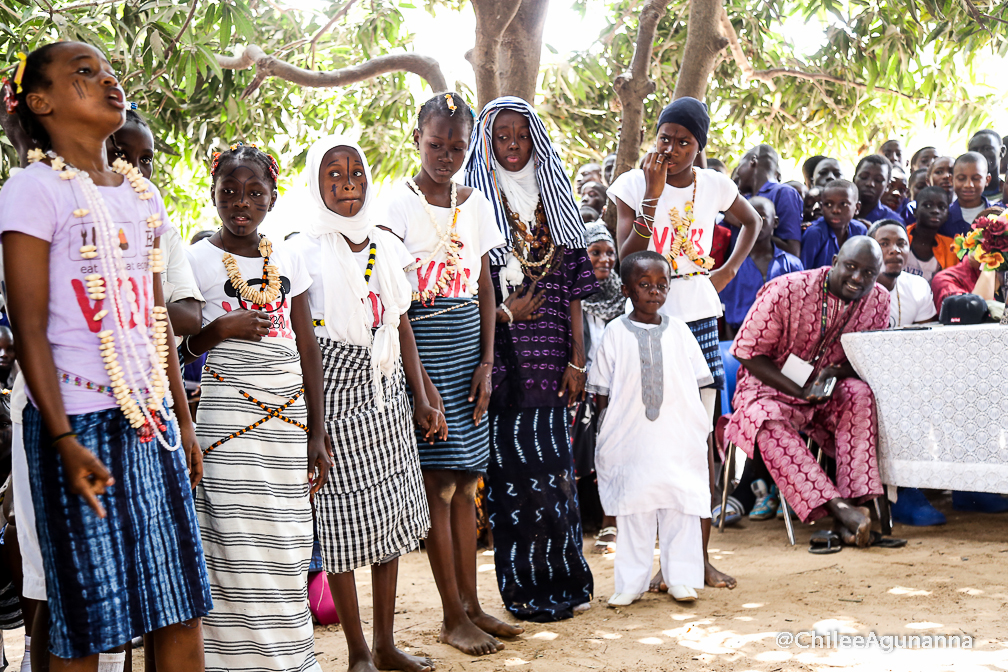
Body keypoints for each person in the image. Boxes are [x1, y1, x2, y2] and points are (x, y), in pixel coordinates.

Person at [0, 41, 210, 669]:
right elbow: (30, 328)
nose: (107, 81)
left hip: (149, 421)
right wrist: (63, 438)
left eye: (108, 70)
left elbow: (151, 320)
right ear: (41, 103)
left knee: (177, 605)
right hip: (76, 421)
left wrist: (180, 414)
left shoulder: (142, 196)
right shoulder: (32, 191)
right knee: (90, 616)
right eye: (83, 74)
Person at [291, 134, 447, 672]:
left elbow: (400, 325)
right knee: (339, 527)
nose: (347, 183)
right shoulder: (302, 247)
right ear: (316, 184)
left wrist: (422, 396)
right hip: (332, 394)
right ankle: (357, 651)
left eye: (355, 173)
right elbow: (304, 341)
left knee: (387, 525)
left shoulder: (384, 243)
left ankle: (384, 645)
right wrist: (314, 425)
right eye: (333, 175)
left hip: (386, 396)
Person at [382, 92, 523, 656]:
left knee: (467, 483)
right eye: (435, 144)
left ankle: (472, 604)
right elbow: (393, 300)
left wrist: (488, 363)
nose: (445, 155)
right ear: (417, 138)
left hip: (469, 344)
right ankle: (449, 617)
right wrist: (421, 386)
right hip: (422, 341)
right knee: (438, 484)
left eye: (457, 146)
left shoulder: (477, 203)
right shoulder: (397, 204)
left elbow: (485, 285)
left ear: (470, 146)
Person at [184, 143, 331, 672]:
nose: (240, 203)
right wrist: (217, 330)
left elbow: (307, 344)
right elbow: (176, 347)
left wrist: (317, 430)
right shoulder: (194, 259)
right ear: (214, 194)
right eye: (229, 192)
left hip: (288, 424)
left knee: (286, 541)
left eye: (253, 193)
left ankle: (287, 659)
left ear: (273, 197)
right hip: (225, 421)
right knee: (231, 539)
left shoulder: (289, 256)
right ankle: (229, 662)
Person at [608, 96, 761, 590]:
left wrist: (727, 271)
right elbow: (624, 259)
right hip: (647, 325)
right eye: (665, 137)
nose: (670, 148)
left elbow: (752, 221)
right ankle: (654, 563)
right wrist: (651, 197)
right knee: (649, 442)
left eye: (683, 141)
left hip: (698, 320)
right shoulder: (633, 184)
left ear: (699, 146)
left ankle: (696, 560)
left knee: (698, 441)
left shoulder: (714, 184)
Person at [464, 96, 596, 622]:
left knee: (557, 476)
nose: (513, 145)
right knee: (513, 483)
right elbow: (468, 293)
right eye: (502, 137)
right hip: (504, 361)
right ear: (488, 144)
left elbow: (574, 290)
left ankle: (568, 582)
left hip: (554, 362)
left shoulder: (556, 198)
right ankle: (524, 591)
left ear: (535, 139)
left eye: (522, 135)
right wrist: (507, 316)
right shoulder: (473, 206)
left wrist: (579, 359)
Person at [726, 237, 890, 547]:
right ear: (835, 259)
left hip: (824, 391)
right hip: (767, 388)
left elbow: (867, 360)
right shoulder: (786, 290)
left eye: (869, 273)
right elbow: (747, 351)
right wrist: (799, 390)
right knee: (764, 417)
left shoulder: (879, 300)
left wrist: (832, 373)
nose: (858, 279)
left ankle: (860, 504)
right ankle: (840, 510)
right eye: (851, 267)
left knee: (858, 393)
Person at [589, 251, 712, 606]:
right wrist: (608, 433)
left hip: (676, 437)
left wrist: (699, 428)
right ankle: (631, 584)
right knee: (634, 509)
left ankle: (681, 578)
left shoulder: (680, 331)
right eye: (645, 285)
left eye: (662, 285)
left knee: (678, 507)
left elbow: (700, 382)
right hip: (631, 439)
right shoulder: (614, 332)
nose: (654, 292)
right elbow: (602, 392)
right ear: (627, 289)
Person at [106, 109, 204, 338]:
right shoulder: (73, 224)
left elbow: (190, 318)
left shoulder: (162, 232)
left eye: (146, 159)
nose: (136, 170)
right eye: (120, 154)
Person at [577, 223, 623, 555]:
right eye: (595, 252)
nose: (605, 259)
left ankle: (612, 521)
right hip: (580, 386)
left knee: (615, 449)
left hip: (615, 389)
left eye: (610, 252)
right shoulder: (571, 296)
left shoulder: (624, 297)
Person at [719, 197, 803, 339]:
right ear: (742, 222)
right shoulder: (733, 265)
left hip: (782, 338)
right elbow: (728, 313)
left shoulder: (791, 264)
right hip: (743, 338)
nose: (757, 222)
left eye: (762, 217)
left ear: (775, 222)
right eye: (751, 217)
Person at [735, 145, 802, 256]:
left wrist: (749, 224)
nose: (737, 172)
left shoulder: (784, 193)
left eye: (739, 165)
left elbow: (792, 250)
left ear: (753, 161)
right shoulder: (744, 198)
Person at [867, 220, 936, 326]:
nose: (895, 250)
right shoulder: (855, 287)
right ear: (869, 249)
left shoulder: (918, 287)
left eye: (901, 244)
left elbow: (925, 338)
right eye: (884, 244)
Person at [800, 180, 867, 270]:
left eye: (843, 204)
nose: (835, 210)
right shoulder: (814, 233)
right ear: (821, 207)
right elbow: (803, 273)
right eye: (828, 204)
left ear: (857, 208)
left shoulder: (860, 230)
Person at [905, 186, 957, 282]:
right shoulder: (901, 237)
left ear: (947, 216)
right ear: (915, 212)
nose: (935, 211)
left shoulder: (951, 248)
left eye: (941, 207)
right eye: (928, 206)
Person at [940, 152, 991, 237]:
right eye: (961, 179)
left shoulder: (1000, 214)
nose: (968, 185)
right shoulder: (944, 218)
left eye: (976, 179)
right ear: (951, 180)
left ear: (987, 180)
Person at [854, 154, 904, 225]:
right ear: (854, 179)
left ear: (887, 186)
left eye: (878, 180)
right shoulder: (839, 211)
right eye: (864, 177)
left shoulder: (893, 221)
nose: (870, 184)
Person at [968, 130, 1005, 201]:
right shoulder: (960, 195)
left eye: (987, 149)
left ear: (1002, 151)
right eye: (974, 150)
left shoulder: (1005, 194)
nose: (979, 154)